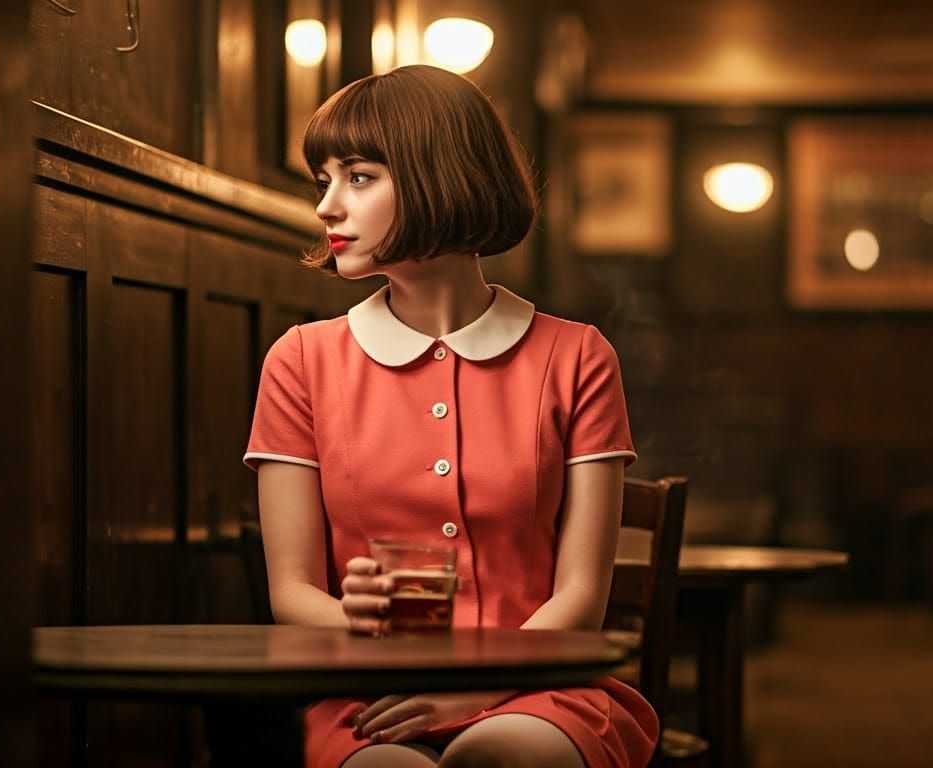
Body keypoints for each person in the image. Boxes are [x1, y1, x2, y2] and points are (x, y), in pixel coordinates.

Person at [242, 64, 658, 768]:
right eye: (323, 181)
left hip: (540, 685)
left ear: (442, 176)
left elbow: (581, 598)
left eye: (359, 177)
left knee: (502, 758)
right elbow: (293, 593)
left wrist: (477, 693)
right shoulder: (300, 361)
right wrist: (354, 616)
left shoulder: (578, 356)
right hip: (367, 692)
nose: (327, 207)